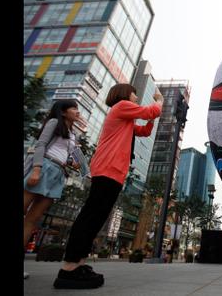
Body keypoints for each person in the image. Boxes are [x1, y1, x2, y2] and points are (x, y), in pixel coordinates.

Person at [53, 84, 163, 289]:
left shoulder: (125, 119)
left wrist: (152, 116)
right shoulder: (121, 106)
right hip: (107, 168)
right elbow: (153, 110)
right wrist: (159, 101)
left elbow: (145, 131)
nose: (137, 95)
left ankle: (79, 264)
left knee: (96, 218)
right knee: (91, 216)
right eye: (134, 92)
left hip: (114, 171)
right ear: (124, 94)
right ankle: (69, 268)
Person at [23, 99, 89, 280]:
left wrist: (76, 163)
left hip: (59, 172)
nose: (77, 111)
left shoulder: (73, 134)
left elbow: (71, 158)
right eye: (74, 108)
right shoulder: (54, 123)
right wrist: (36, 168)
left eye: (78, 108)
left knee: (32, 220)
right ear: (62, 112)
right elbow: (41, 144)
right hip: (44, 166)